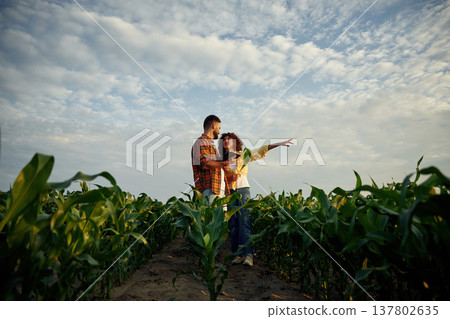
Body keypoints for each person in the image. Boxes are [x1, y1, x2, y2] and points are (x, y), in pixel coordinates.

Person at [220, 132, 293, 266]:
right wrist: (229, 177)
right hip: (229, 193)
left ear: (235, 141)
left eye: (228, 139)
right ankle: (237, 255)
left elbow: (261, 150)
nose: (225, 141)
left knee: (244, 221)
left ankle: (248, 255)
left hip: (242, 190)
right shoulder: (222, 160)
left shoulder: (244, 155)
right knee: (234, 225)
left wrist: (279, 144)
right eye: (223, 140)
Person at [191, 115, 231, 204]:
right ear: (213, 125)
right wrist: (224, 163)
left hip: (218, 190)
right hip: (210, 190)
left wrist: (225, 167)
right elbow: (205, 164)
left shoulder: (211, 145)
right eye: (219, 128)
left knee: (221, 218)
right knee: (212, 217)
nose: (219, 131)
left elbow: (215, 165)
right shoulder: (200, 142)